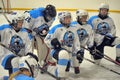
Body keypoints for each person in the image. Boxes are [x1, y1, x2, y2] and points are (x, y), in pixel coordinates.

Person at [44, 11, 81, 79]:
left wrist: (78, 51)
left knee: (65, 74)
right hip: (56, 51)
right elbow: (47, 40)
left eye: (69, 17)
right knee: (63, 54)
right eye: (66, 18)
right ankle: (59, 76)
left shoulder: (74, 28)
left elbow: (76, 42)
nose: (68, 19)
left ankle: (49, 68)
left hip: (69, 53)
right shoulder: (56, 28)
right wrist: (53, 43)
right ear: (61, 19)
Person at [23, 4, 57, 72]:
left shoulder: (52, 17)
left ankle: (45, 61)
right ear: (45, 13)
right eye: (49, 17)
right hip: (28, 31)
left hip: (38, 32)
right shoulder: (34, 14)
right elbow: (25, 29)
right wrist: (31, 36)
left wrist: (43, 32)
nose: (50, 19)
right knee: (28, 44)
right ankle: (25, 62)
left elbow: (45, 27)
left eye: (51, 17)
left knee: (46, 42)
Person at [0, 12, 33, 79]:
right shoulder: (4, 29)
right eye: (19, 22)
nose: (21, 23)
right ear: (14, 21)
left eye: (22, 21)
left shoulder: (25, 32)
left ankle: (5, 78)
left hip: (21, 58)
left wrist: (29, 54)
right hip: (6, 56)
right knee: (16, 61)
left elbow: (28, 45)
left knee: (26, 66)